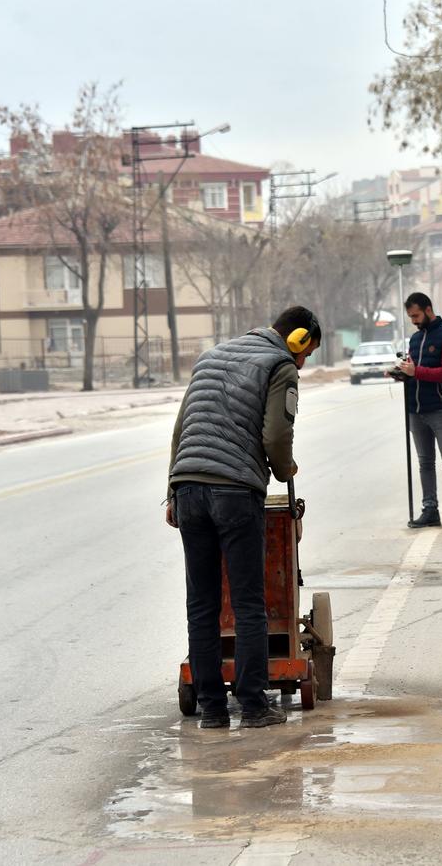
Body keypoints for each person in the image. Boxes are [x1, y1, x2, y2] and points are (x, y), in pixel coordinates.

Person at [165, 306, 320, 729]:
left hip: (188, 487)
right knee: (250, 602)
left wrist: (171, 494)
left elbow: (181, 430)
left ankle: (213, 711)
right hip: (234, 491)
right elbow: (275, 434)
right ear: (300, 340)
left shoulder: (210, 357)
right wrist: (285, 470)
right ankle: (254, 707)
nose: (303, 363)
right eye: (307, 354)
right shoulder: (280, 364)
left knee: (202, 604)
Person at [394, 292, 442, 529]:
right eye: (410, 317)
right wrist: (401, 373)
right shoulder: (414, 339)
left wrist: (417, 373)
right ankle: (430, 510)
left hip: (441, 408)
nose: (413, 320)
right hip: (415, 409)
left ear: (427, 309)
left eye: (415, 315)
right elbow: (414, 370)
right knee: (425, 462)